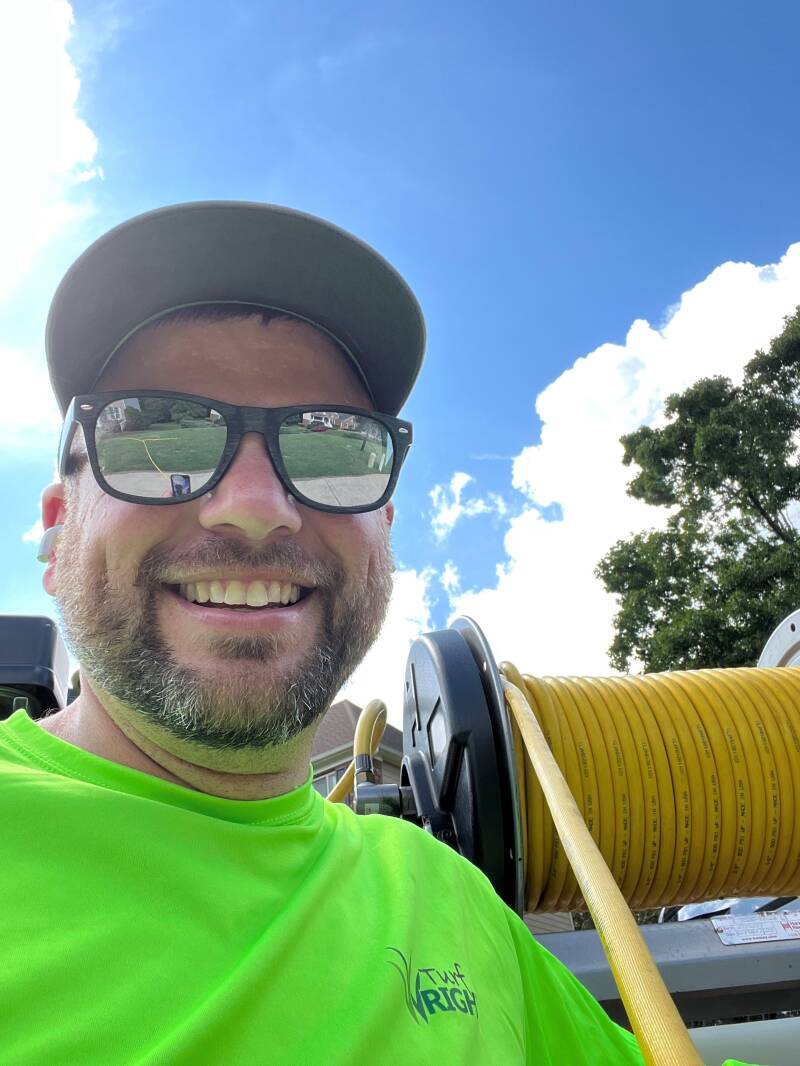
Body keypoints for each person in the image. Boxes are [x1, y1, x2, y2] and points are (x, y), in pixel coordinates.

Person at [0, 202, 753, 1065]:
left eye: (331, 450)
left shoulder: (450, 903)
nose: (255, 507)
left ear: (384, 527)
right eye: (159, 435)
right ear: (57, 529)